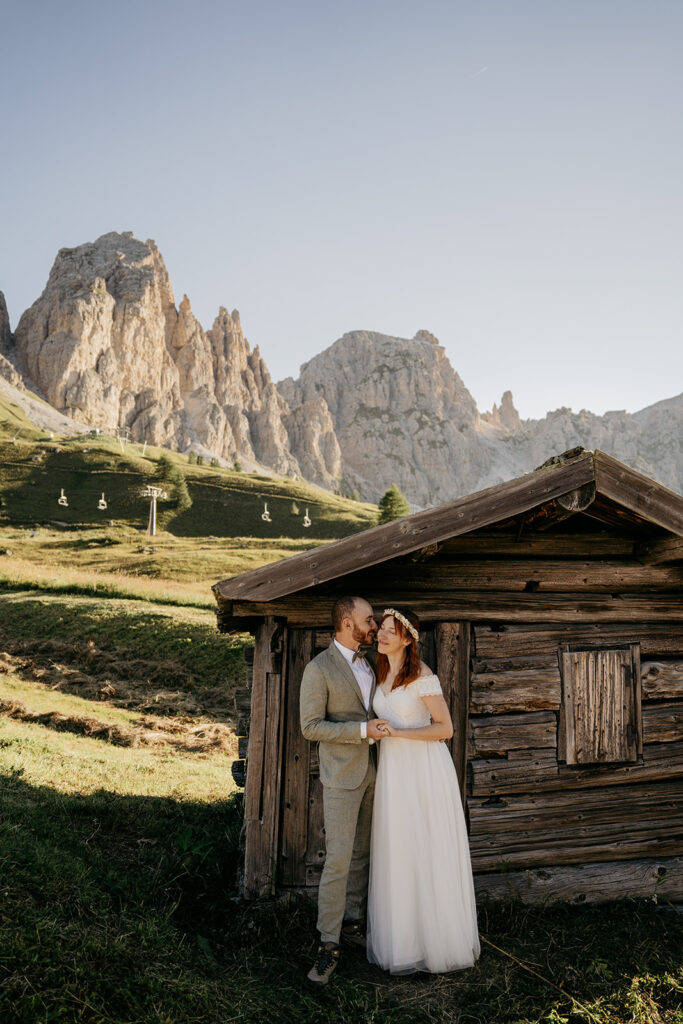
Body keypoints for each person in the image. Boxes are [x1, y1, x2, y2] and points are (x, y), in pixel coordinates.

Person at [366, 607, 480, 975]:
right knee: (399, 849)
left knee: (425, 847)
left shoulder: (422, 676)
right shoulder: (381, 673)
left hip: (423, 770)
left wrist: (398, 732)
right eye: (380, 630)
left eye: (388, 632)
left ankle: (440, 943)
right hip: (394, 773)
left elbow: (445, 728)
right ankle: (404, 943)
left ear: (407, 638)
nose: (380, 636)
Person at [299, 595, 388, 985]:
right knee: (337, 861)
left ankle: (353, 926)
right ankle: (327, 945)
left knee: (364, 856)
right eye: (369, 619)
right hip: (341, 777)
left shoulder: (368, 663)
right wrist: (361, 731)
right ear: (347, 623)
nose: (376, 625)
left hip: (376, 773)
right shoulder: (319, 669)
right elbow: (311, 727)